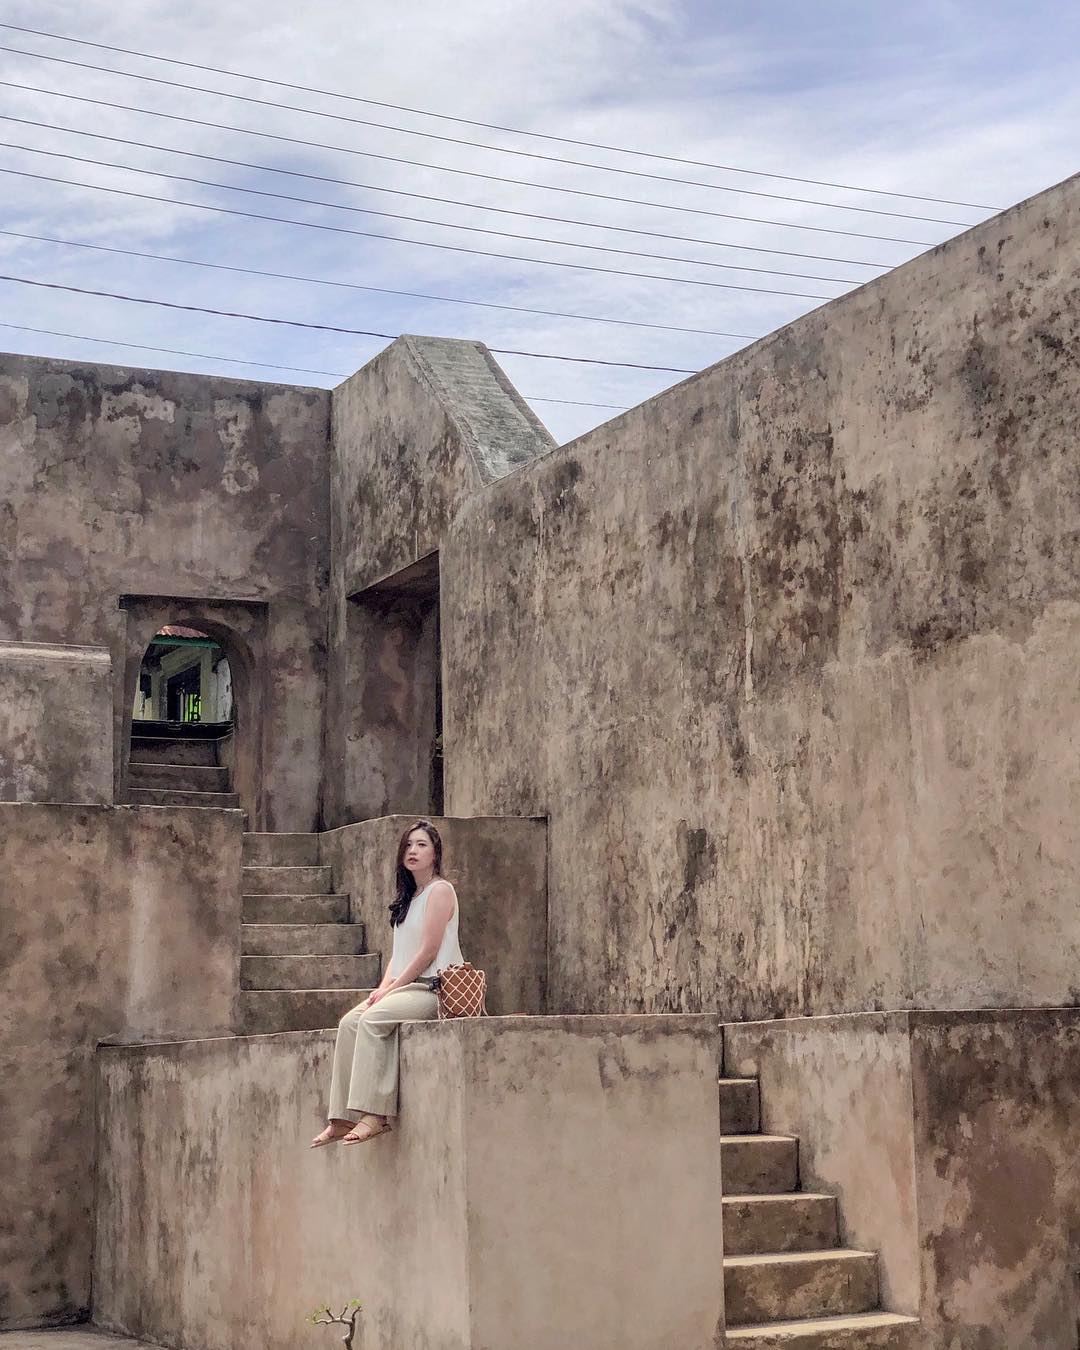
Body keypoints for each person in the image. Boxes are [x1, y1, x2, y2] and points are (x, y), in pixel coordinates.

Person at [310, 819, 463, 1147]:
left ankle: (376, 1115)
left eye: (421, 844)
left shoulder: (440, 891)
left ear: (435, 853)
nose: (413, 851)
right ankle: (339, 1118)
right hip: (406, 987)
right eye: (408, 845)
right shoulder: (408, 898)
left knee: (373, 1019)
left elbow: (427, 953)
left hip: (434, 989)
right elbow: (399, 955)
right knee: (349, 1022)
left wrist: (391, 992)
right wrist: (382, 988)